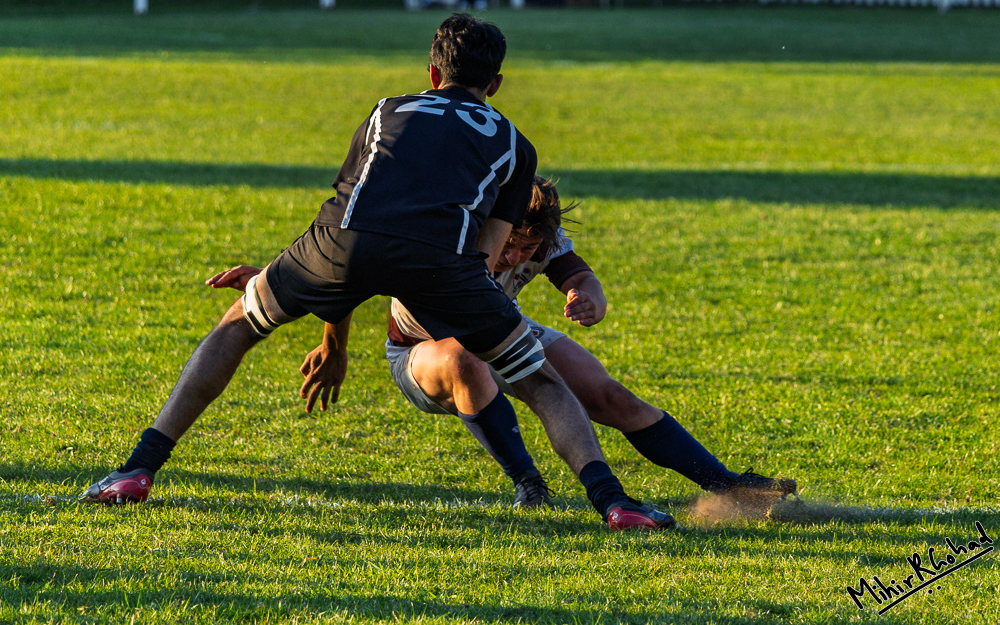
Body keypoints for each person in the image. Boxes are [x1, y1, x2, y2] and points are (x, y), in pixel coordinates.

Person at [81, 13, 672, 532]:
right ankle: (614, 503)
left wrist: (322, 318)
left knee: (237, 325)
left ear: (433, 73)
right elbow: (488, 253)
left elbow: (349, 207)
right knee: (542, 384)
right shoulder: (517, 146)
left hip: (340, 241)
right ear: (493, 86)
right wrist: (479, 315)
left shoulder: (386, 109)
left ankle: (137, 470)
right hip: (441, 263)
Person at [205, 177, 797, 513]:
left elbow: (579, 276)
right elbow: (351, 272)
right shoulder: (452, 231)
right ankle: (529, 486)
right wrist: (278, 287)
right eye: (508, 243)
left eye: (526, 248)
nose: (514, 257)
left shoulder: (540, 241)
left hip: (505, 331)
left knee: (607, 395)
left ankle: (730, 488)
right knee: (466, 359)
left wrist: (590, 297)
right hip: (423, 350)